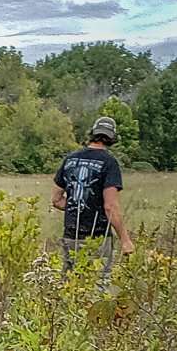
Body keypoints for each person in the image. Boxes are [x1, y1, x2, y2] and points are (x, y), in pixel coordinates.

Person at [52, 115, 134, 280]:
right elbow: (110, 206)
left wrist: (78, 207)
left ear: (93, 134)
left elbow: (56, 199)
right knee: (97, 290)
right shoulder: (109, 163)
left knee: (70, 287)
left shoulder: (70, 159)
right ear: (112, 138)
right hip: (97, 238)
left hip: (70, 235)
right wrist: (125, 240)